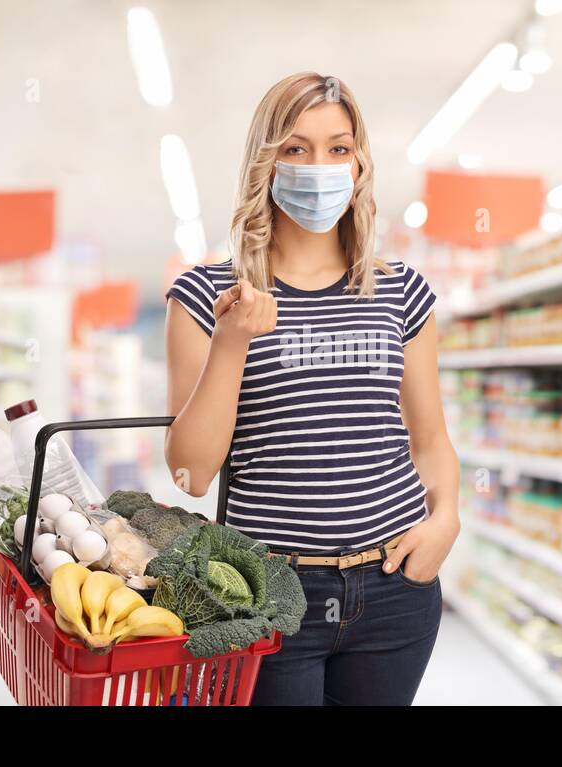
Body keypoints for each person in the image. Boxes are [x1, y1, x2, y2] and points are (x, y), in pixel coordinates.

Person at [163, 72, 460, 706]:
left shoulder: (400, 291)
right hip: (267, 593)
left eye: (338, 147)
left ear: (360, 163)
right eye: (295, 149)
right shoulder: (203, 296)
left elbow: (431, 439)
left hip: (394, 589)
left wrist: (446, 522)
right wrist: (233, 341)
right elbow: (189, 470)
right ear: (265, 163)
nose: (318, 165)